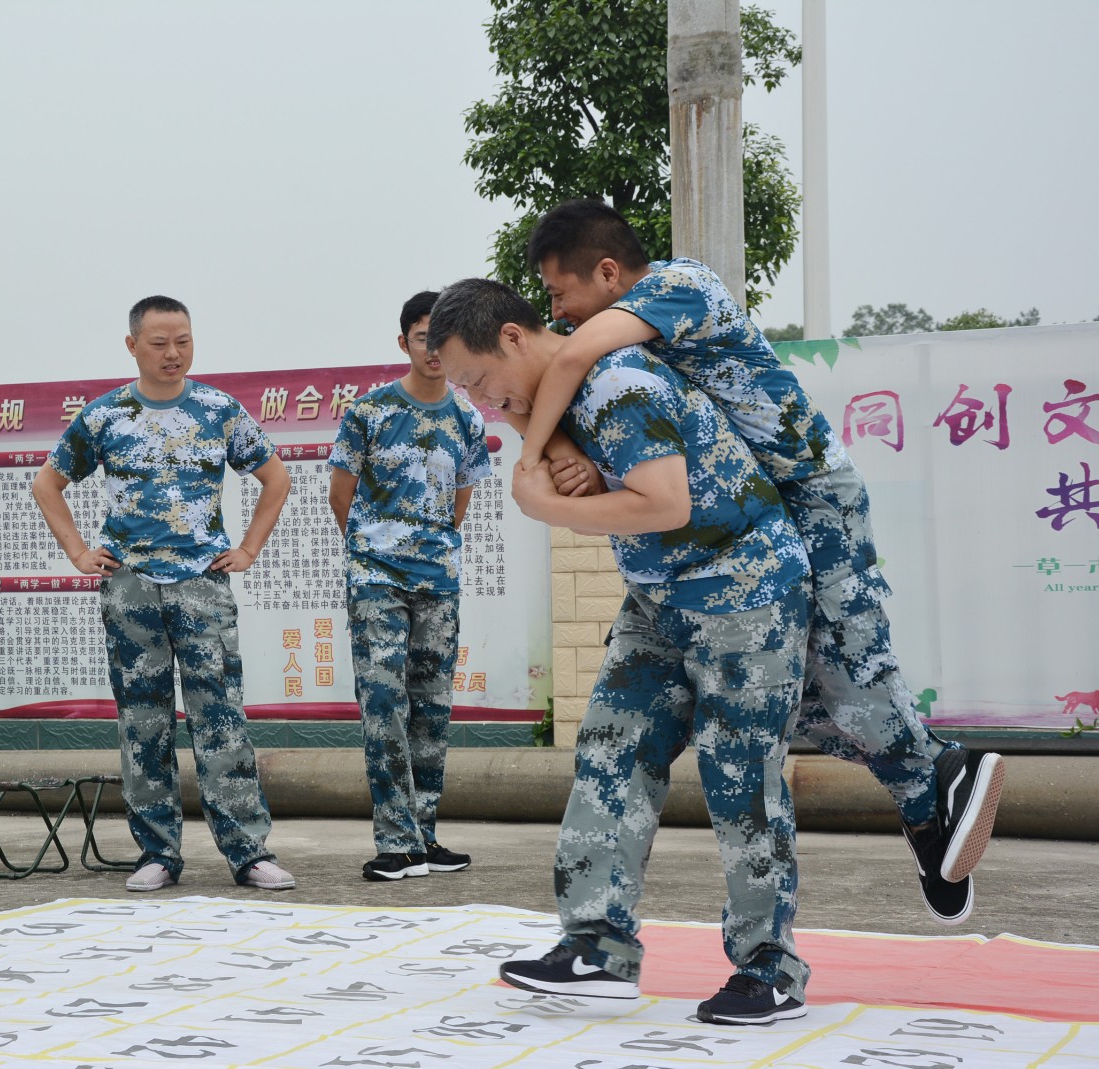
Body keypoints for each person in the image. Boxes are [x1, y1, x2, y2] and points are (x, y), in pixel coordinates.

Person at [515, 199, 1004, 924]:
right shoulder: (627, 337)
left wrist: (530, 464)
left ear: (610, 273)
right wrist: (564, 453)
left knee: (851, 658)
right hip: (765, 505)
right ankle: (929, 791)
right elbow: (532, 388)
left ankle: (937, 777)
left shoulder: (684, 286)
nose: (557, 315)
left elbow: (573, 358)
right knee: (807, 687)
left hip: (815, 489)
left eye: (561, 294)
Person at [430, 277, 814, 1025]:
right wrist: (553, 447)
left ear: (513, 337)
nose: (481, 402)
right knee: (610, 745)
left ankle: (771, 966)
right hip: (659, 598)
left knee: (740, 773)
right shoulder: (550, 393)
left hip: (744, 590)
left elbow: (665, 502)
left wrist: (554, 507)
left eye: (479, 381)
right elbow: (530, 420)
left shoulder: (616, 383)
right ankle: (596, 945)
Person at [32, 296, 296, 893]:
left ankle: (248, 852)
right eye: (159, 343)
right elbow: (47, 483)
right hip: (130, 589)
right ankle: (157, 852)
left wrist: (248, 549)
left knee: (220, 719)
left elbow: (275, 478)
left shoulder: (218, 410)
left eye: (183, 341)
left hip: (202, 583)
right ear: (133, 346)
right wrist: (78, 551)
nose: (173, 353)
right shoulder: (106, 416)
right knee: (143, 723)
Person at [328, 291, 490, 881]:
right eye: (424, 337)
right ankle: (394, 841)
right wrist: (375, 550)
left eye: (443, 339)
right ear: (404, 342)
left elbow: (460, 499)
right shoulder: (368, 413)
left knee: (432, 708)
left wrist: (428, 552)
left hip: (437, 581)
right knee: (383, 704)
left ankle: (424, 835)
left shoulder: (467, 419)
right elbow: (340, 495)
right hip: (377, 579)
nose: (434, 350)